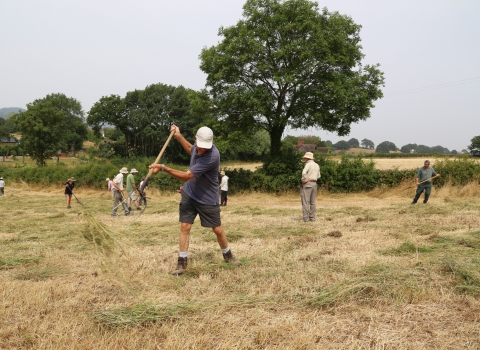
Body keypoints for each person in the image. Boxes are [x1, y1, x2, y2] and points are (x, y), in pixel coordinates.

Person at [149, 125, 241, 275]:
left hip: (207, 197)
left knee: (217, 229)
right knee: (185, 226)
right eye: (200, 146)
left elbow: (187, 176)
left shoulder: (212, 156)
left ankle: (228, 255)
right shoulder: (196, 147)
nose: (201, 150)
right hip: (190, 193)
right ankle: (182, 263)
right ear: (196, 139)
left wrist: (164, 168)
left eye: (205, 148)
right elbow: (190, 149)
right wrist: (178, 136)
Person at [300, 152, 321, 222]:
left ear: (307, 158)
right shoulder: (317, 165)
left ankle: (305, 218)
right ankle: (312, 217)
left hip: (308, 184)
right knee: (313, 202)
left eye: (305, 158)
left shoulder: (308, 164)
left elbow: (303, 173)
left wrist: (305, 180)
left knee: (306, 201)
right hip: (314, 183)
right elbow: (319, 176)